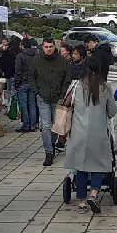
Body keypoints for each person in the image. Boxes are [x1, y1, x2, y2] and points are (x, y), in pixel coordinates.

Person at [64, 56, 117, 214]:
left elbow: (66, 103)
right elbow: (112, 111)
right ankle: (94, 194)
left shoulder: (76, 86)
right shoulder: (105, 87)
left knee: (81, 167)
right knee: (98, 164)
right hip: (98, 133)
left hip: (79, 133)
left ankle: (81, 201)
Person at [30, 37, 72, 166]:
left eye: (50, 47)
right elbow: (31, 76)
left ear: (55, 47)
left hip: (57, 97)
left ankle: (52, 145)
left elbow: (67, 78)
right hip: (42, 97)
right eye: (46, 47)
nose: (48, 49)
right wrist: (37, 91)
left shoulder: (61, 61)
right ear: (42, 47)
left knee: (56, 125)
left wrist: (62, 94)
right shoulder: (36, 61)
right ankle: (49, 152)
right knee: (46, 125)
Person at [14, 39, 39, 133]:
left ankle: (26, 125)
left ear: (22, 45)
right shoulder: (36, 56)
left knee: (23, 105)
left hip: (22, 82)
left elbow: (18, 71)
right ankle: (33, 125)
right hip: (33, 82)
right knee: (32, 104)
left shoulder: (20, 56)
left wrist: (16, 84)